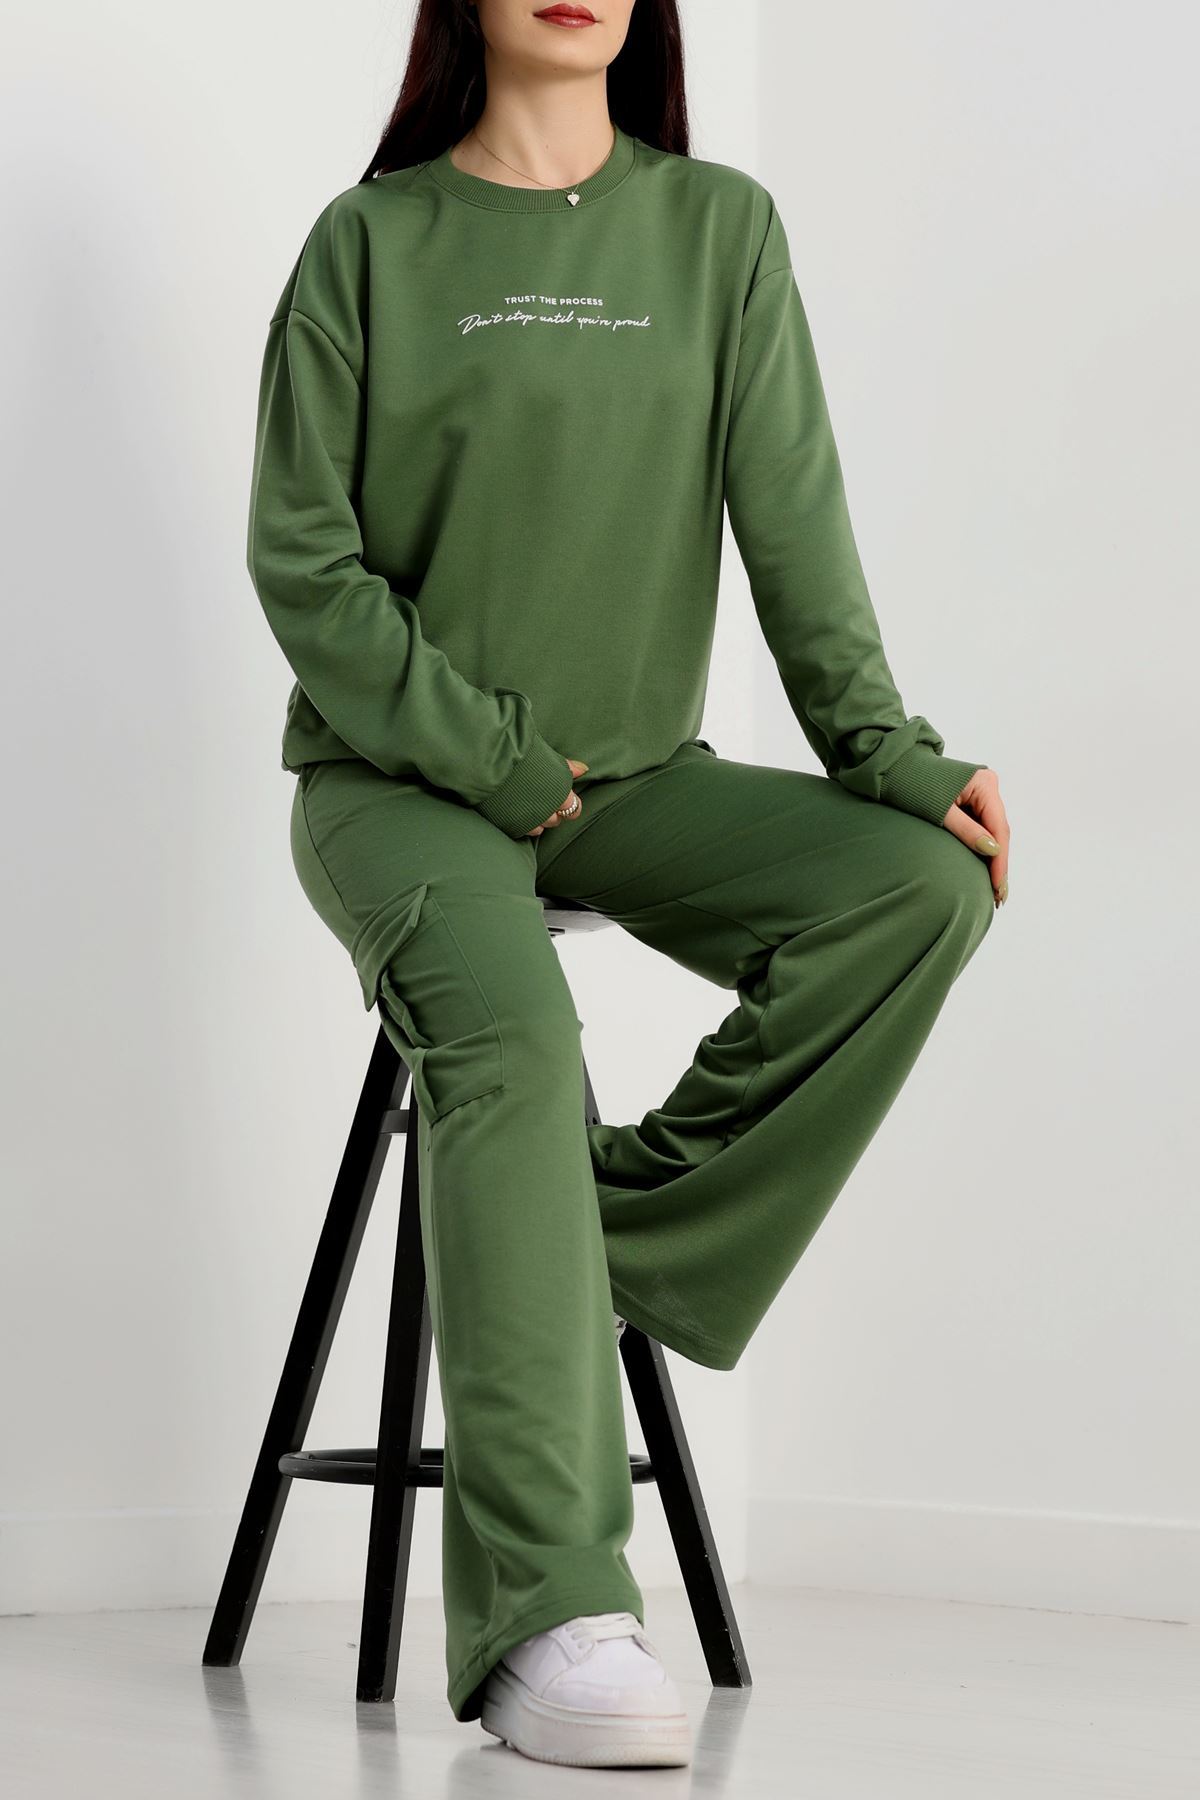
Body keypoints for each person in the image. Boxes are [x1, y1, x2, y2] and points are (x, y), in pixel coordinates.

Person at [244, 0, 1010, 1771]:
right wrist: (491, 755)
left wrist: (892, 756)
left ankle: (583, 1232)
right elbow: (305, 563)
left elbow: (794, 521)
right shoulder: (370, 243)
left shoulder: (718, 229)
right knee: (512, 1041)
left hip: (634, 783)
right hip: (402, 784)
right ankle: (555, 1614)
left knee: (918, 894)